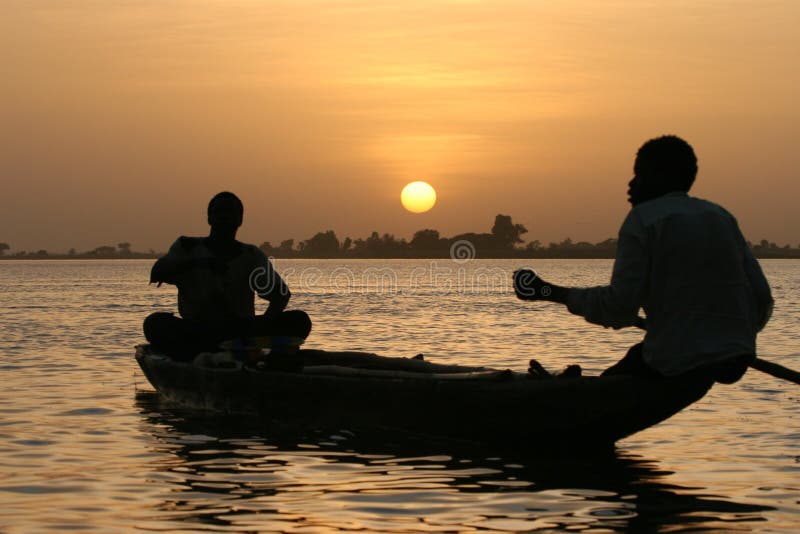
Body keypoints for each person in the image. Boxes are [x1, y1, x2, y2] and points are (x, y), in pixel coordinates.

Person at [514, 135, 773, 383]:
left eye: (640, 175)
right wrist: (732, 338)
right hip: (736, 357)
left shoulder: (643, 219)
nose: (631, 184)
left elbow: (619, 309)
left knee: (616, 380)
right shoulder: (721, 216)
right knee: (636, 358)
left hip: (678, 358)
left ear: (662, 177)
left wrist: (547, 291)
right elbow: (762, 298)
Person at [144, 192, 311, 360]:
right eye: (219, 212)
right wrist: (199, 264)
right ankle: (192, 355)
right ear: (209, 218)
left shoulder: (250, 255)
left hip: (239, 331)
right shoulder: (187, 247)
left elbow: (281, 294)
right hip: (197, 329)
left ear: (240, 220)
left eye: (230, 213)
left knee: (299, 320)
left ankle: (268, 360)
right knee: (154, 323)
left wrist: (261, 325)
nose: (224, 217)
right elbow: (157, 273)